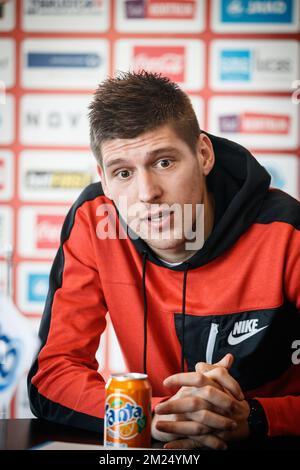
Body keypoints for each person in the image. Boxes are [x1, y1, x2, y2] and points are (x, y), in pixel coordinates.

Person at [27, 71, 300, 450]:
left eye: (164, 163)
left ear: (203, 154)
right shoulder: (94, 220)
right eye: (123, 172)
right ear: (105, 181)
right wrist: (159, 415)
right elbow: (52, 374)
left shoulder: (286, 230)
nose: (147, 193)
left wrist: (255, 417)